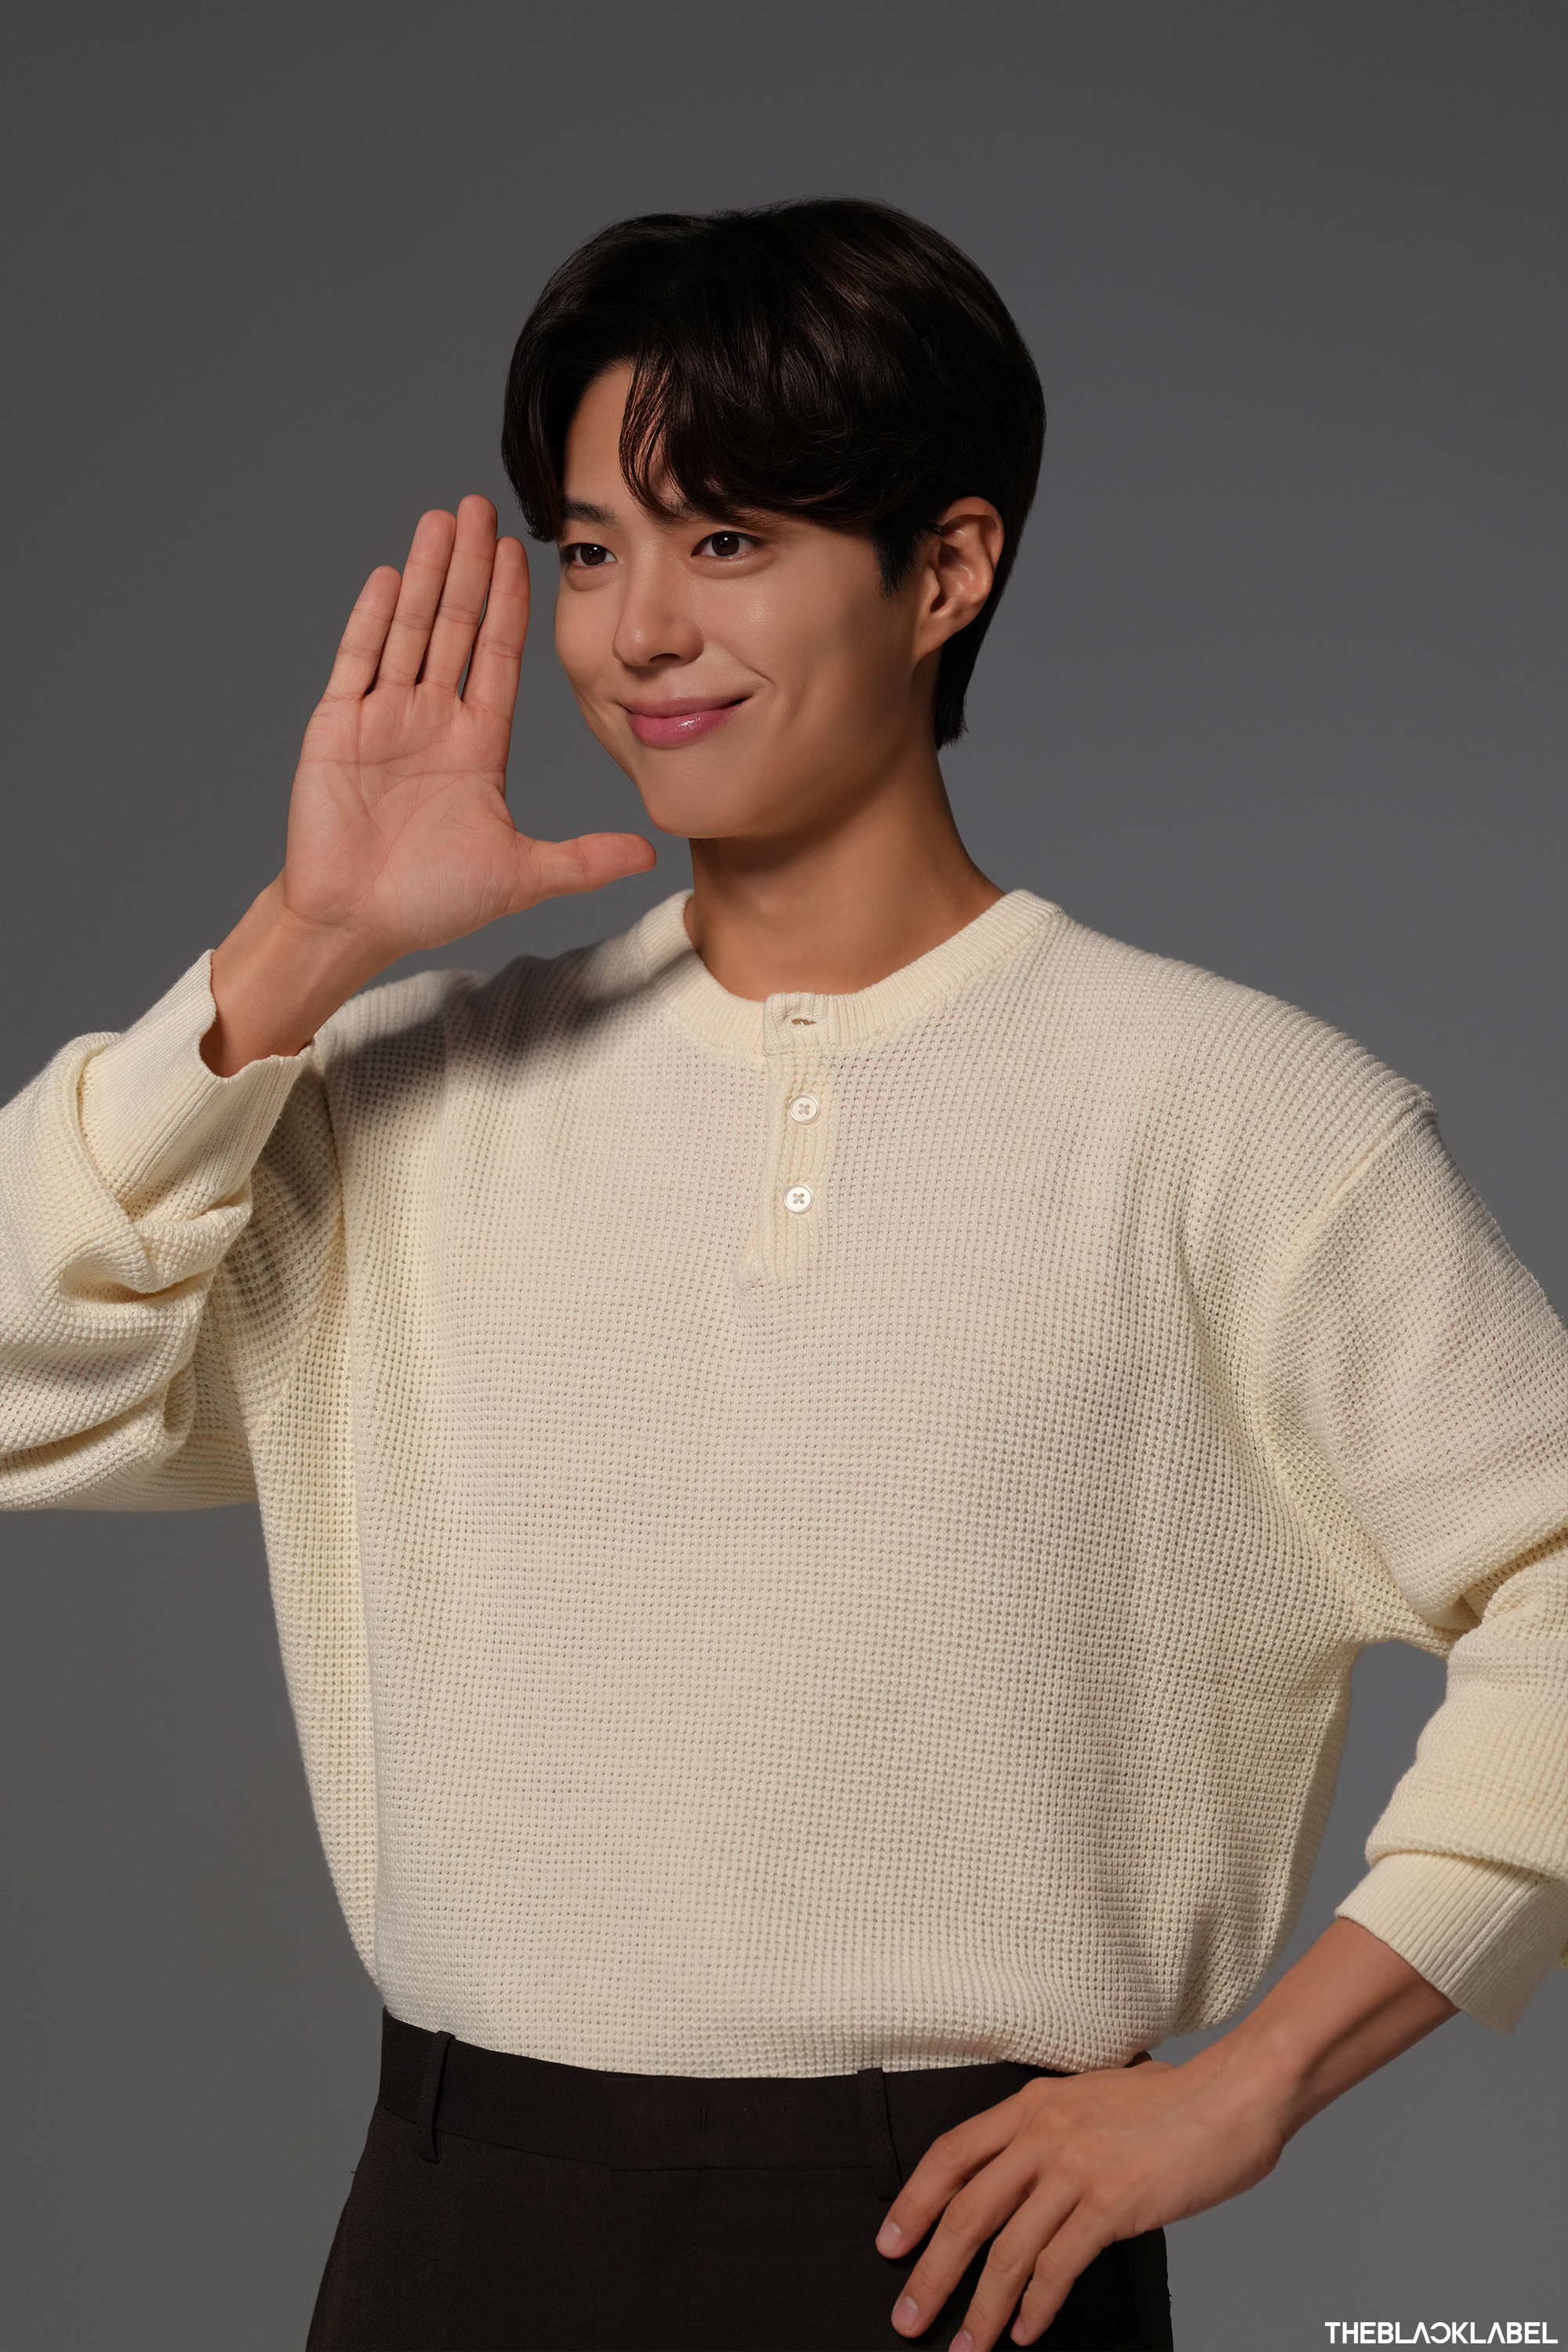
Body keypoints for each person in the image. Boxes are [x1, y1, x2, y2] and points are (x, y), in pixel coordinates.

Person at [1, 198, 1564, 2352]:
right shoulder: (397, 1097)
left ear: (948, 569)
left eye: (726, 539)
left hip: (961, 2250)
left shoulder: (1237, 1118)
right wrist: (304, 943)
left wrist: (1250, 2086)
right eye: (591, 550)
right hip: (459, 2224)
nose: (641, 629)